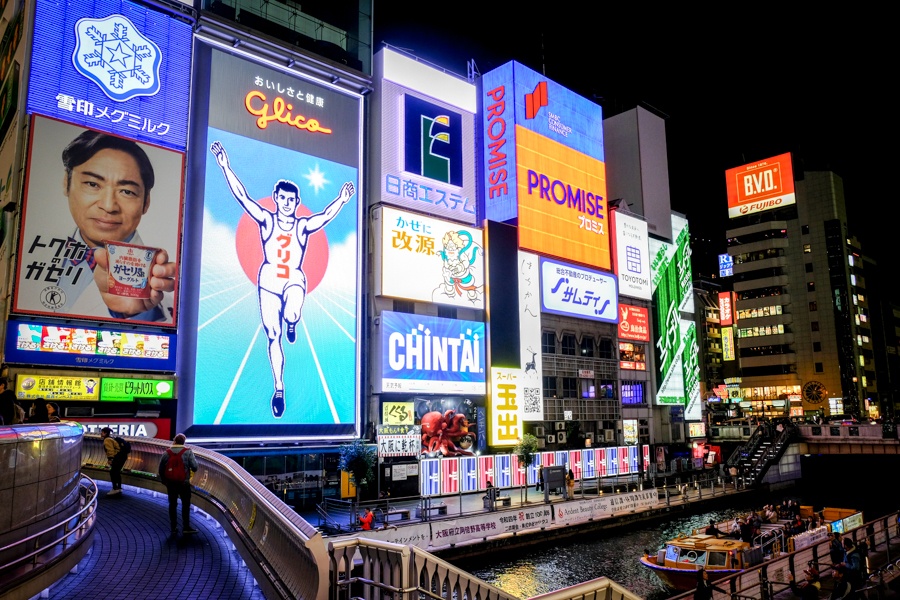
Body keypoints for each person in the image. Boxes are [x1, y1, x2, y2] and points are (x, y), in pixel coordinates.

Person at [210, 141, 355, 418]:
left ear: (297, 202)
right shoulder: (266, 220)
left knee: (292, 310)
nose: (287, 203)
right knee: (272, 336)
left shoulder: (302, 225)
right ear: (276, 198)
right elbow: (243, 198)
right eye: (283, 198)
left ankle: (292, 321)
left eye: (292, 200)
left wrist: (342, 199)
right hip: (268, 281)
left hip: (293, 280)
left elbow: (324, 217)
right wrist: (225, 165)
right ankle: (279, 388)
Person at [16, 129, 177, 322]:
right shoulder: (27, 250)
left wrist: (132, 313)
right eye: (92, 184)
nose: (108, 206)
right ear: (66, 182)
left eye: (126, 191)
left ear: (146, 202)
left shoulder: (163, 281)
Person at [158, 433, 199, 535]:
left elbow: (161, 468)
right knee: (185, 505)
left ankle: (173, 527)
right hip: (184, 483)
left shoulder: (167, 452)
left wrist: (164, 480)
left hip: (171, 483)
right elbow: (195, 467)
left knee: (172, 505)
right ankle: (186, 527)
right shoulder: (188, 452)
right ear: (183, 442)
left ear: (174, 441)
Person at [100, 426, 126, 496]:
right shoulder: (111, 439)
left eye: (102, 432)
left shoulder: (107, 440)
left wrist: (110, 459)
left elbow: (110, 450)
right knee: (117, 472)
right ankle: (119, 488)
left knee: (113, 472)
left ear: (105, 433)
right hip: (122, 456)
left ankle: (115, 489)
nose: (101, 434)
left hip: (117, 457)